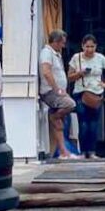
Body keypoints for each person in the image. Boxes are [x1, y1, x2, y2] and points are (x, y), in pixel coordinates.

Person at [68, 35, 105, 159]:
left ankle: (91, 151)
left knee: (93, 124)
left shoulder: (100, 58)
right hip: (81, 93)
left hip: (96, 93)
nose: (89, 49)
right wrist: (80, 73)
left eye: (92, 46)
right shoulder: (76, 58)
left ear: (96, 46)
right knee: (84, 124)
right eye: (87, 46)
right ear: (82, 46)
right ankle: (83, 151)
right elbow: (69, 77)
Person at [39, 30, 77, 159]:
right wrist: (57, 89)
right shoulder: (46, 53)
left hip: (58, 92)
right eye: (62, 43)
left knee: (60, 125)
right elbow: (46, 72)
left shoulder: (56, 55)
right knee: (70, 104)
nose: (63, 46)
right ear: (56, 42)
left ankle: (63, 151)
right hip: (50, 92)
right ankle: (54, 116)